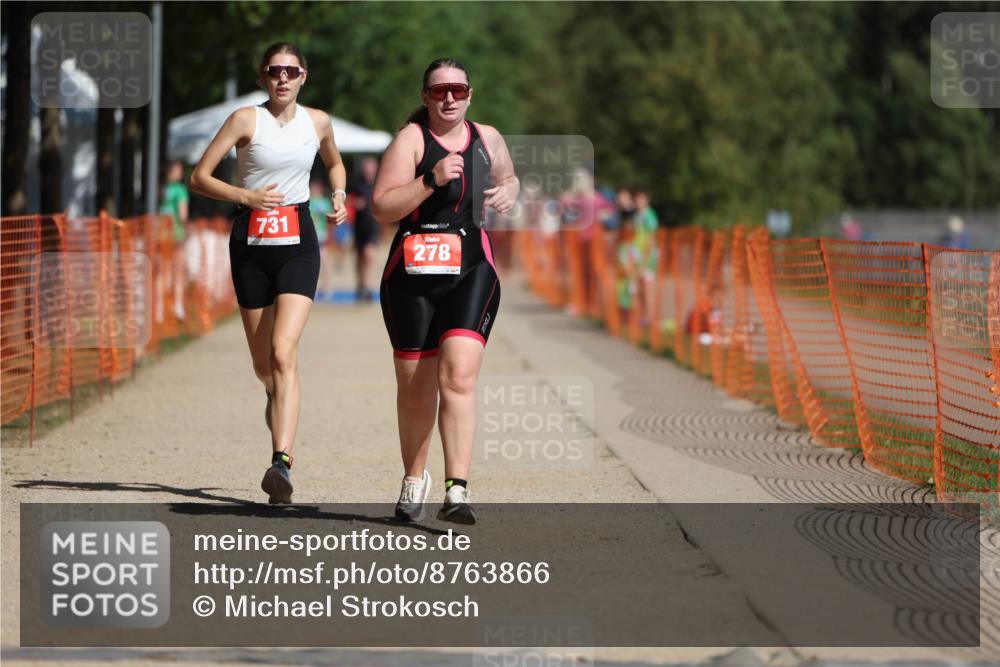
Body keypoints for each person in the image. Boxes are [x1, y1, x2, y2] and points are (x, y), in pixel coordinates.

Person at [189, 42, 347, 503]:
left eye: (291, 71)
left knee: (283, 352)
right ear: (263, 76)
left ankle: (281, 463)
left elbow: (335, 163)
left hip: (298, 241)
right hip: (251, 244)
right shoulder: (245, 120)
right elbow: (199, 177)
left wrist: (338, 196)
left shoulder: (318, 122)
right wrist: (247, 197)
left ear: (303, 77)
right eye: (275, 71)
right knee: (264, 367)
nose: (283, 78)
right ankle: (273, 395)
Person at [372, 58, 518, 524]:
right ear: (426, 97)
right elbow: (381, 207)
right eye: (439, 91)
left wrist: (510, 189)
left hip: (471, 270)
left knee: (458, 376)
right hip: (410, 276)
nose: (449, 98)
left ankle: (457, 490)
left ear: (470, 95)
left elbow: (508, 178)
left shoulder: (487, 138)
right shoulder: (411, 141)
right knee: (416, 388)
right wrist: (429, 180)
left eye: (457, 89)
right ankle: (414, 478)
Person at [159, 160, 189, 321]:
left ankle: (159, 308)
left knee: (162, 271)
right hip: (176, 234)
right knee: (179, 271)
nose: (181, 173)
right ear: (171, 171)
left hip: (161, 234)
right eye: (178, 170)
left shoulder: (162, 189)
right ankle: (178, 306)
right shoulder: (180, 189)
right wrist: (185, 230)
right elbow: (183, 215)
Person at [350, 157, 380, 301]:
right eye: (366, 168)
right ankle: (360, 286)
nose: (369, 171)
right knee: (359, 258)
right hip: (359, 226)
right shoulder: (356, 184)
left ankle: (368, 287)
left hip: (373, 225)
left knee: (369, 254)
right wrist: (355, 203)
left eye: (371, 168)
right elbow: (347, 201)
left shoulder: (379, 184)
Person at [308, 179, 334, 299]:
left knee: (324, 262)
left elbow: (329, 220)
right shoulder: (308, 202)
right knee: (312, 264)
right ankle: (315, 289)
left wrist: (331, 236)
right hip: (311, 236)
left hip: (322, 235)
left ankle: (327, 288)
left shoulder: (324, 202)